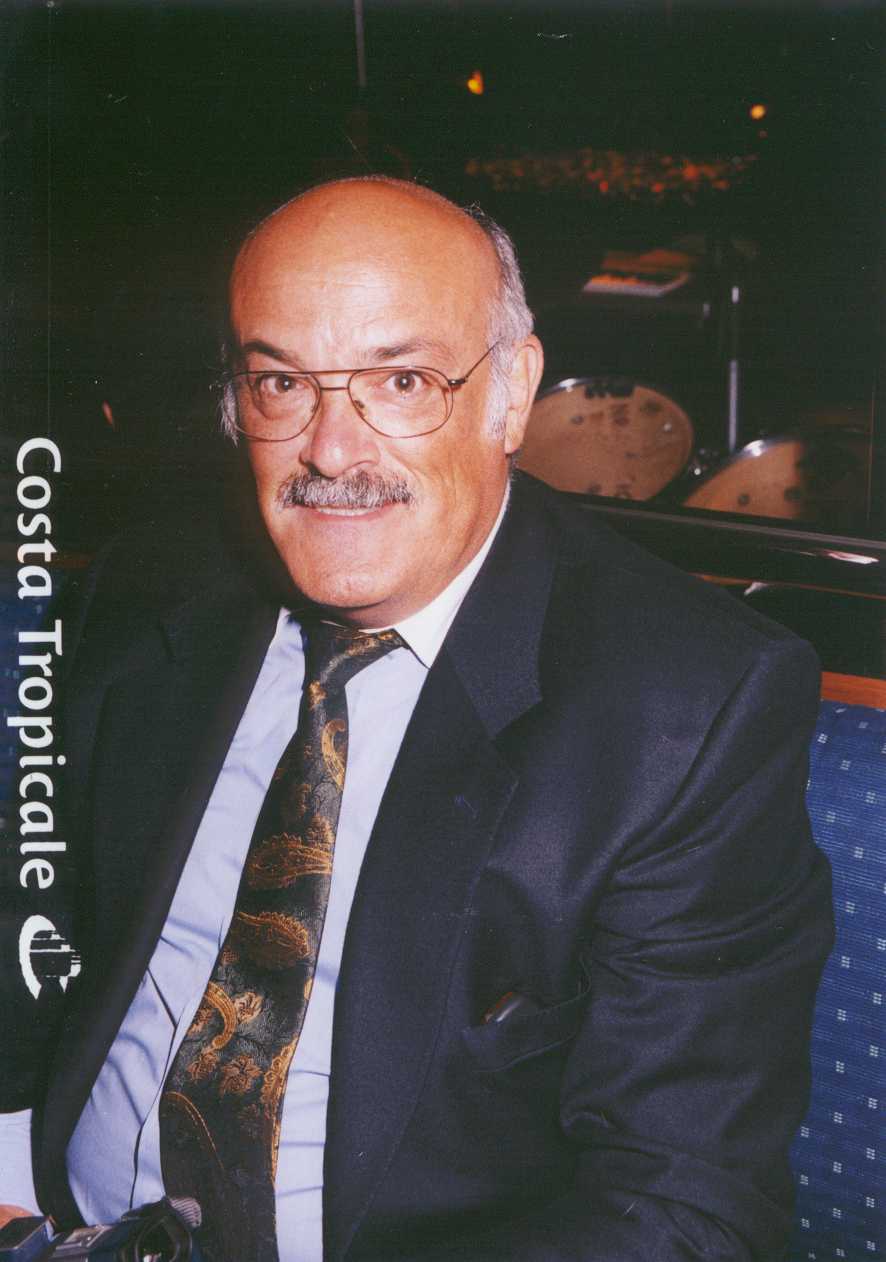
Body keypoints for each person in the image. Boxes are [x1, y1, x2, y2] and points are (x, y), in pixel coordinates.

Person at [0, 177, 832, 1261]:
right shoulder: (150, 587)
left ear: (512, 393)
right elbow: (33, 921)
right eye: (281, 382)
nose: (331, 451)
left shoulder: (689, 705)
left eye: (402, 381)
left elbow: (685, 1204)